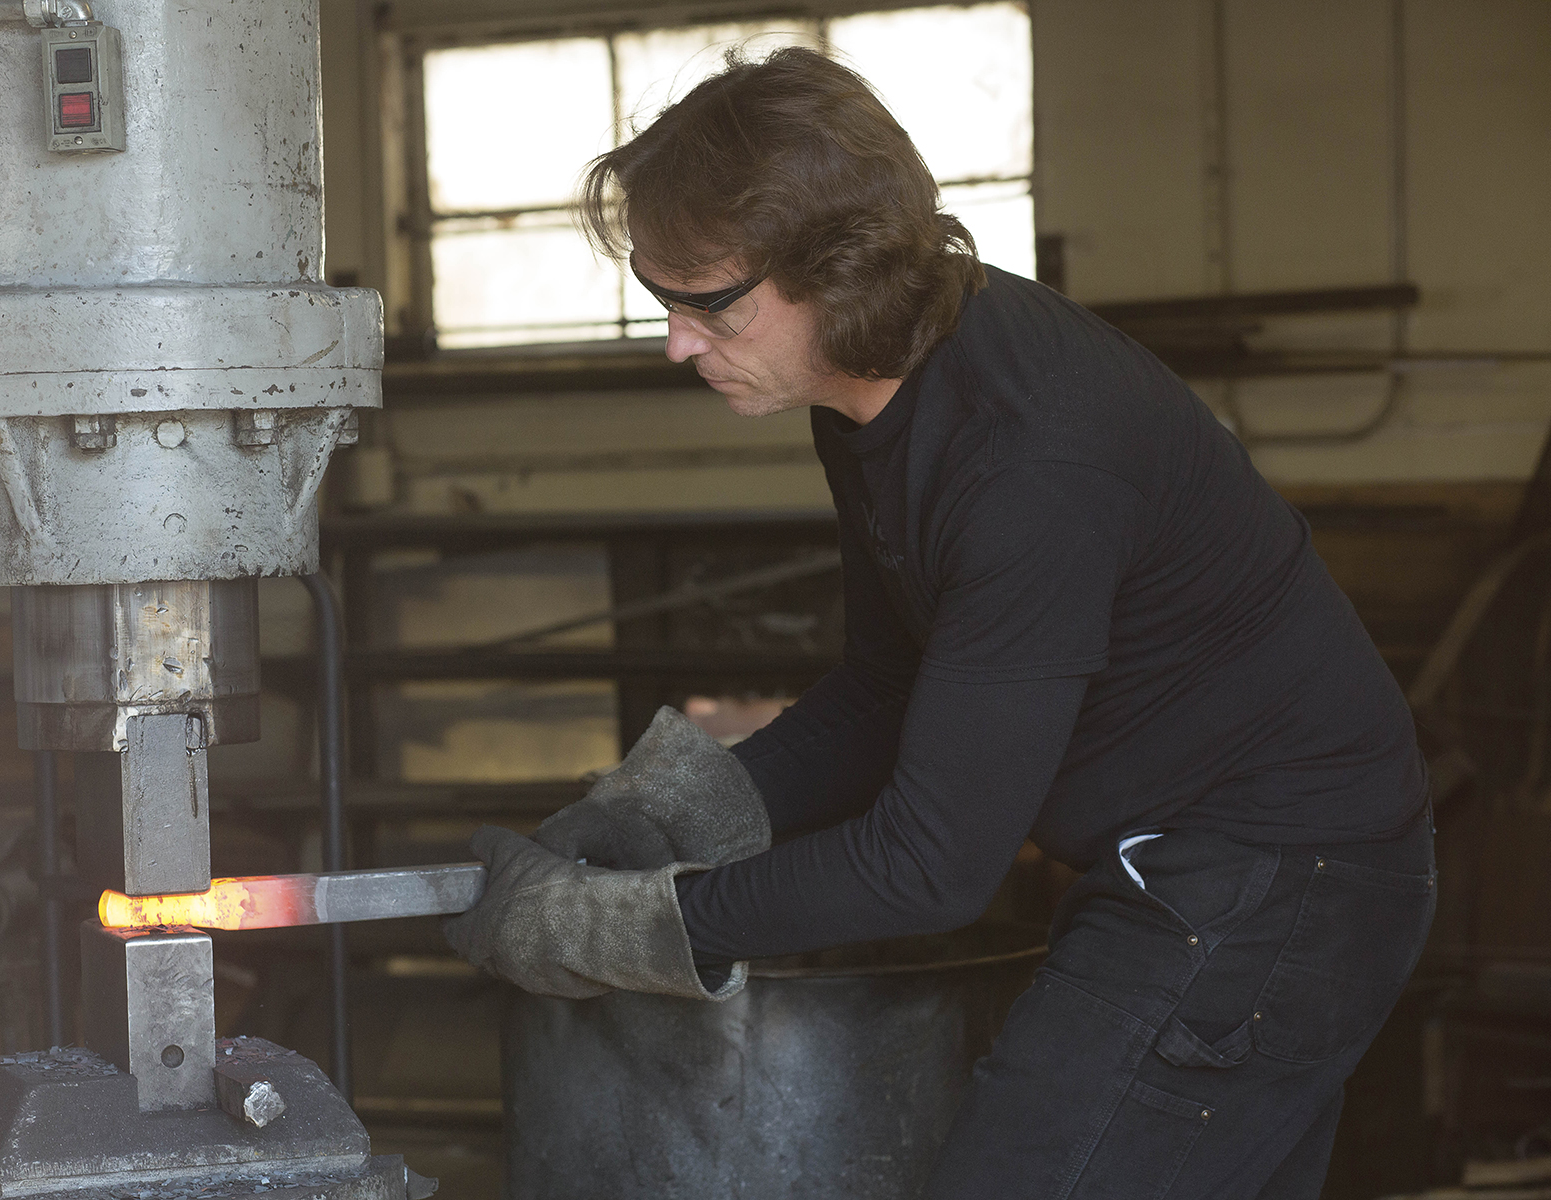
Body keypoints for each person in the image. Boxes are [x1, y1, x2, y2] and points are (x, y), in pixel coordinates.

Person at [444, 46, 1435, 1200]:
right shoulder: (869, 387)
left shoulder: (1029, 459)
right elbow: (886, 687)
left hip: (1274, 886)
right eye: (660, 301)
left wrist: (615, 927)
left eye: (708, 305)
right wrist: (669, 815)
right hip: (1203, 866)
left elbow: (929, 869)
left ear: (842, 269)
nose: (675, 342)